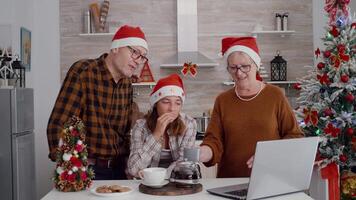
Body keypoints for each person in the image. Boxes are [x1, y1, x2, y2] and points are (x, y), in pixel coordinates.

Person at [47, 25, 149, 180]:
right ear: (115, 48)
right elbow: (59, 125)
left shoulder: (126, 84)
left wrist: (131, 165)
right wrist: (72, 166)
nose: (138, 61)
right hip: (88, 170)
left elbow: (124, 134)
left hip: (119, 171)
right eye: (134, 52)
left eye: (142, 56)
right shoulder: (83, 72)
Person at [199, 37, 304, 178]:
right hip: (230, 181)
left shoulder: (275, 95)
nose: (239, 72)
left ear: (256, 65)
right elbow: (214, 140)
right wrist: (204, 153)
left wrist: (268, 155)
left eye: (245, 66)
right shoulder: (222, 100)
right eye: (233, 67)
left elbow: (294, 136)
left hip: (271, 178)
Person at [127, 74, 197, 178]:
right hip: (147, 184)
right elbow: (133, 169)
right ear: (155, 104)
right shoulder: (140, 127)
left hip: (176, 183)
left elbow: (185, 164)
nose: (172, 109)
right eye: (166, 102)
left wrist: (157, 175)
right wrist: (156, 134)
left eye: (177, 103)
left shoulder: (189, 123)